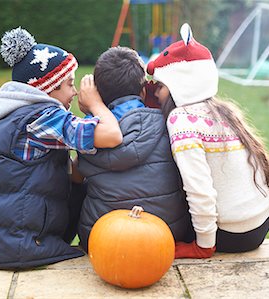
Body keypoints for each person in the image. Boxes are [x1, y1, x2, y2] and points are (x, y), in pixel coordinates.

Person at [0, 27, 122, 269]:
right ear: (48, 87)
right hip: (9, 245)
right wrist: (96, 105)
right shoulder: (42, 118)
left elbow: (63, 171)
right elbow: (112, 135)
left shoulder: (9, 112)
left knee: (78, 180)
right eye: (69, 84)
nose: (74, 91)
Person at [146, 23, 269, 258]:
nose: (155, 93)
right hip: (263, 219)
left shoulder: (182, 121)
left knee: (166, 221)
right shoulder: (221, 109)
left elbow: (199, 189)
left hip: (233, 233)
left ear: (176, 86)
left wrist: (203, 246)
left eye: (159, 86)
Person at [76, 46, 194, 252]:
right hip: (168, 233)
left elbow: (76, 177)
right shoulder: (169, 122)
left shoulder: (89, 131)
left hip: (102, 240)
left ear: (98, 94)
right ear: (143, 90)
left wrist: (93, 109)